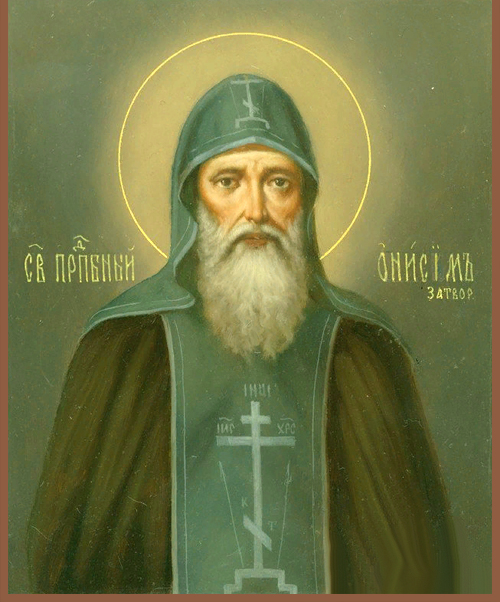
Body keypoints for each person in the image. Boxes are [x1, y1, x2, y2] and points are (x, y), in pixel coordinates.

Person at [28, 74, 459, 594]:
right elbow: (73, 560)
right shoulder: (124, 345)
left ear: (304, 201)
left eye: (278, 182)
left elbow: (414, 564)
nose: (255, 210)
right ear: (192, 199)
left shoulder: (361, 347)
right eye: (228, 182)